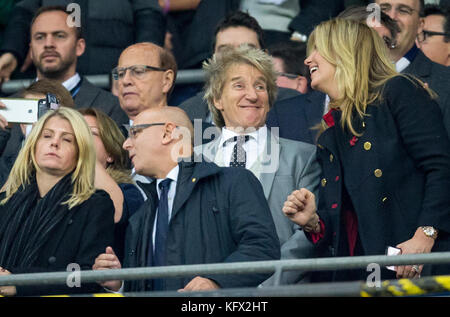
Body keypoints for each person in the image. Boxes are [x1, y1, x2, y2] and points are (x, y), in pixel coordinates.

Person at [283, 18, 450, 282]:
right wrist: (314, 221)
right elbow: (348, 218)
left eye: (318, 50)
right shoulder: (332, 131)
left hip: (414, 268)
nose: (308, 59)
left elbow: (441, 168)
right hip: (359, 276)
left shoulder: (398, 91)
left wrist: (424, 236)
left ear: (345, 51)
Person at [93, 106, 280, 292]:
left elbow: (262, 248)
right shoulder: (143, 212)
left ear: (167, 133)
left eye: (135, 133)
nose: (126, 144)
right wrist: (121, 282)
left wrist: (215, 282)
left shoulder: (233, 182)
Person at [198, 45, 320, 285]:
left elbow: (306, 236)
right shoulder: (193, 161)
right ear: (217, 99)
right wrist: (211, 283)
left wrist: (263, 286)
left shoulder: (302, 157)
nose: (252, 95)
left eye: (260, 86)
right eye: (239, 85)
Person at [0, 107, 115, 296]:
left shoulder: (95, 205)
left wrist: (18, 282)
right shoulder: (6, 202)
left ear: (80, 153)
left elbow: (87, 278)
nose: (54, 143)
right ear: (33, 145)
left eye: (67, 139)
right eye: (47, 136)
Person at [178, 11, 302, 130]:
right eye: (226, 51)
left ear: (265, 57)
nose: (236, 57)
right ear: (213, 59)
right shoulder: (187, 112)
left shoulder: (293, 104)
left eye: (247, 50)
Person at [0, 0, 165, 80]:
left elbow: (148, 14)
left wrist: (140, 62)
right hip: (55, 87)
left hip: (116, 83)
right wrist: (12, 53)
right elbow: (24, 13)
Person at [375, 0, 450, 139]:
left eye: (403, 10)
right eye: (384, 9)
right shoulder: (347, 75)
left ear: (420, 25)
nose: (391, 17)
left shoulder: (446, 83)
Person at [78, 108, 144, 262]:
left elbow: (114, 214)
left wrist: (85, 154)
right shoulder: (56, 190)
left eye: (90, 133)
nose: (79, 138)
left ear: (110, 154)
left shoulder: (128, 190)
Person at [0, 78, 74, 186]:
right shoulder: (5, 166)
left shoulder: (75, 166)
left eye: (43, 113)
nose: (36, 122)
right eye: (30, 112)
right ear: (22, 124)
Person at [113, 42, 178, 123]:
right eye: (121, 74)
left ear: (166, 80)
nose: (125, 81)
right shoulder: (105, 132)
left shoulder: (181, 132)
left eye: (138, 71)